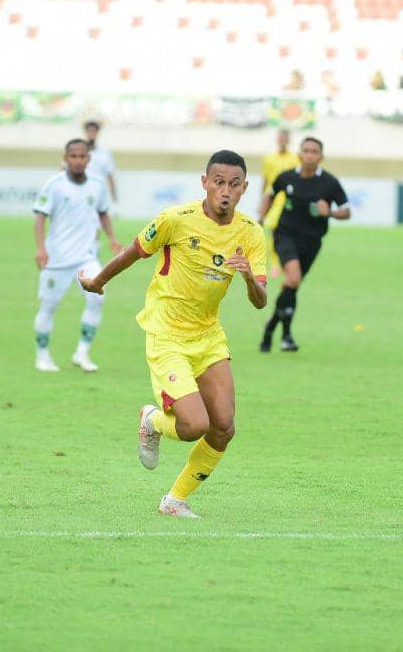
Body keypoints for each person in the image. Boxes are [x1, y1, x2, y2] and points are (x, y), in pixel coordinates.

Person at [78, 150, 267, 518]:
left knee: (224, 427)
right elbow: (135, 251)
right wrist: (98, 282)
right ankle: (151, 420)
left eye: (233, 184)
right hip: (167, 333)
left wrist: (247, 277)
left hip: (208, 336)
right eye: (218, 182)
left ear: (244, 188)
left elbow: (261, 301)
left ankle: (175, 500)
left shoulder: (251, 233)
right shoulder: (175, 220)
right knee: (195, 424)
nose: (225, 191)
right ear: (204, 183)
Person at [33, 139, 121, 373]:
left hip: (85, 257)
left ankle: (82, 352)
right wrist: (41, 248)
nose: (78, 160)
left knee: (98, 298)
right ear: (65, 158)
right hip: (57, 260)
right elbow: (40, 216)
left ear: (88, 159)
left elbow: (103, 213)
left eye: (82, 156)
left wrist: (112, 238)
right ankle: (42, 356)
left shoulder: (97, 184)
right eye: (73, 156)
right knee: (49, 306)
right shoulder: (54, 185)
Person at [257, 137, 350, 352]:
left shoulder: (329, 182)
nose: (309, 154)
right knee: (294, 278)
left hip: (312, 241)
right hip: (284, 235)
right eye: (306, 150)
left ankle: (271, 326)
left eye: (314, 151)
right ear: (300, 154)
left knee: (291, 285)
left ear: (321, 157)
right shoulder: (287, 177)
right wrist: (260, 219)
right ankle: (287, 337)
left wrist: (332, 213)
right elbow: (269, 196)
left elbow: (346, 210)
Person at [258, 130, 301, 278]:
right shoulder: (269, 158)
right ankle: (276, 264)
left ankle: (287, 261)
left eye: (285, 137)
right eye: (280, 137)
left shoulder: (295, 158)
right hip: (273, 200)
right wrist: (262, 201)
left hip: (290, 200)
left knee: (290, 233)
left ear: (289, 140)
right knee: (273, 229)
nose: (282, 140)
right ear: (277, 139)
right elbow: (265, 179)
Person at [83, 121, 118, 205]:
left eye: (94, 131)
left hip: (98, 194)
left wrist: (114, 197)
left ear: (97, 133)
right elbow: (63, 171)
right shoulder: (77, 153)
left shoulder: (105, 154)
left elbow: (110, 177)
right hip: (81, 192)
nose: (91, 134)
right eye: (89, 131)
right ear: (85, 133)